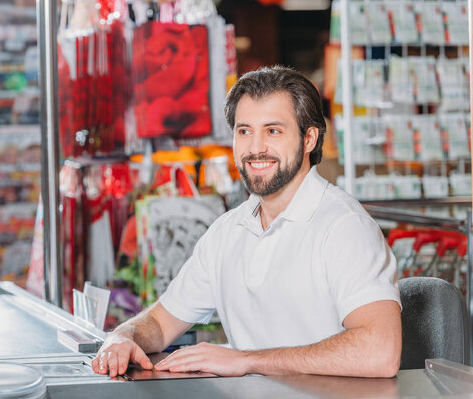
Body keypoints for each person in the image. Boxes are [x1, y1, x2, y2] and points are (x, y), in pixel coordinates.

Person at [92, 65, 402, 378]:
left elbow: (381, 352)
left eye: (273, 131)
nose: (255, 148)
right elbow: (160, 323)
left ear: (309, 139)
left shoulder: (344, 227)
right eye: (244, 131)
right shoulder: (227, 232)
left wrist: (247, 360)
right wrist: (123, 336)